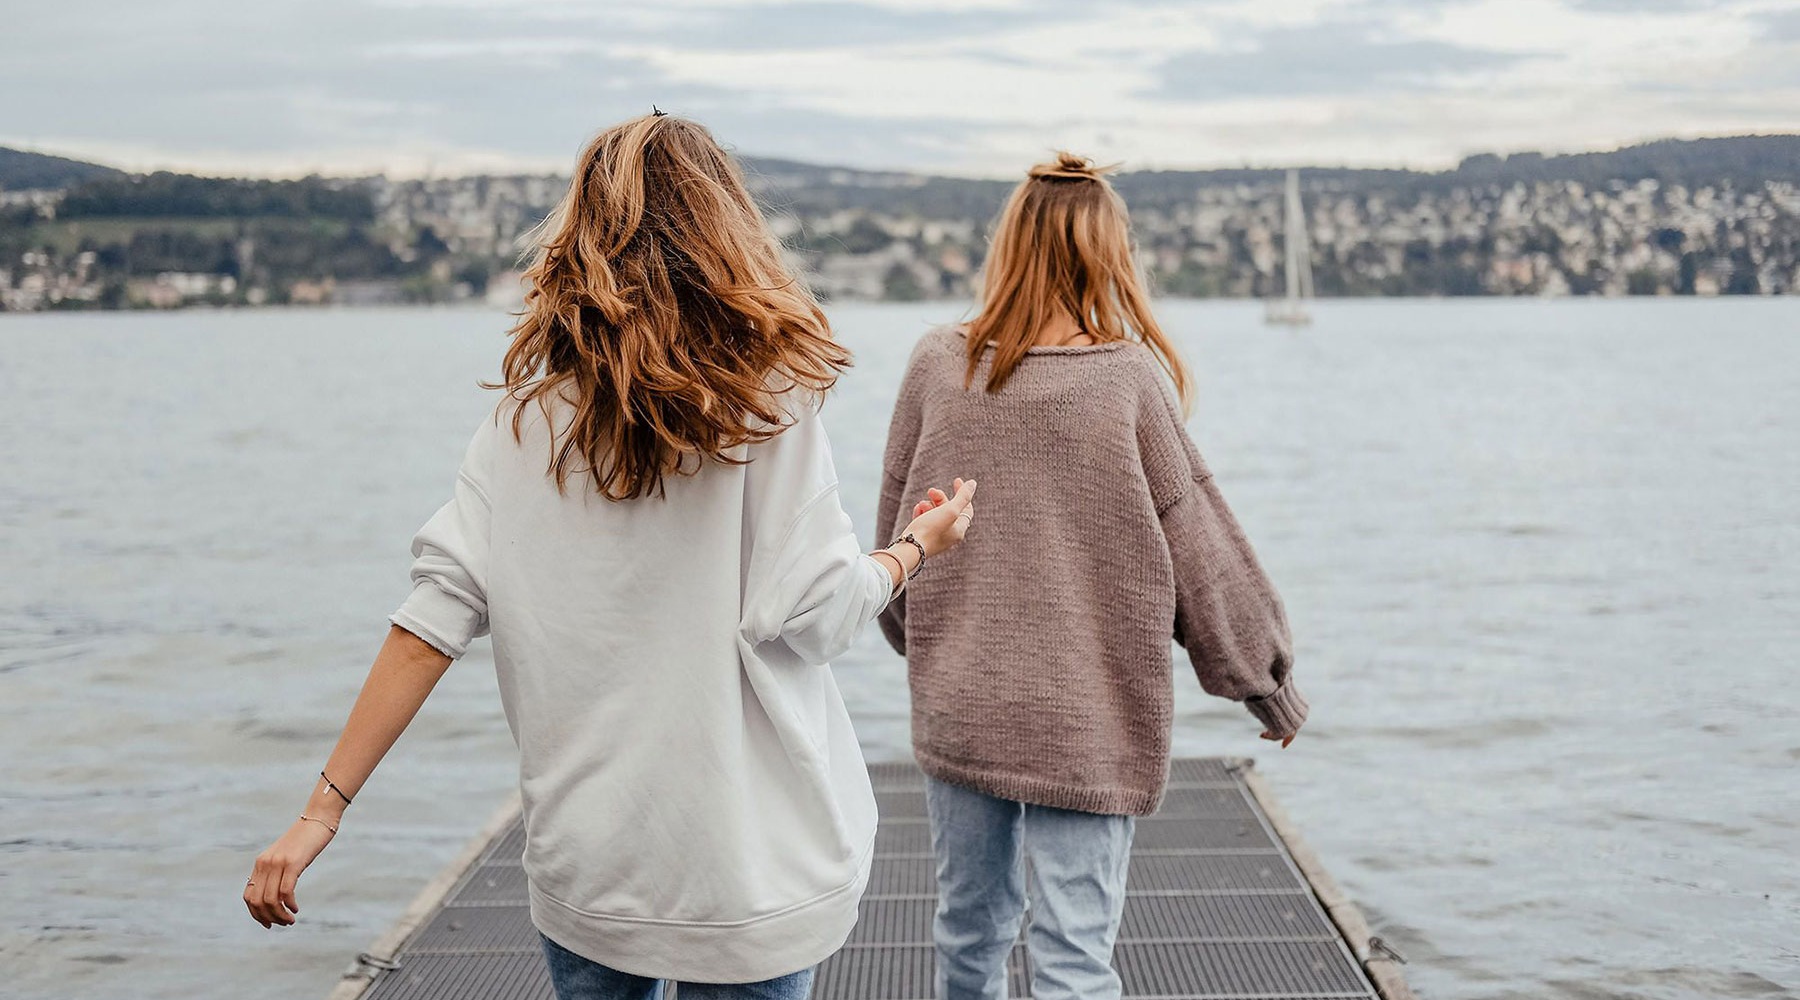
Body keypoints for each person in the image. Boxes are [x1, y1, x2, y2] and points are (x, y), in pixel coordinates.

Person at [242, 113, 979, 1000]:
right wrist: (912, 551)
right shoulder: (773, 401)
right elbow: (813, 614)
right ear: (728, 228)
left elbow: (427, 627)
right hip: (745, 867)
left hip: (590, 867)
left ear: (580, 237)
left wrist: (320, 813)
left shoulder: (525, 422)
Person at [877, 152, 1305, 1000]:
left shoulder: (936, 363)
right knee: (1075, 963)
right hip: (1088, 717)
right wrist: (1266, 685)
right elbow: (1204, 556)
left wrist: (926, 645)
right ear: (1110, 256)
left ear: (1009, 247)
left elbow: (898, 537)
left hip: (963, 700)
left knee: (968, 937)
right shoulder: (1127, 380)